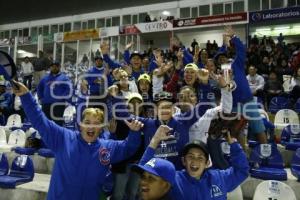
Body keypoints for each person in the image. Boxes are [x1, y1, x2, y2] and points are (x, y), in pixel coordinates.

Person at [12, 80, 144, 200]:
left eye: (96, 123)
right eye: (87, 122)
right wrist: (26, 97)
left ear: (101, 128)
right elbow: (40, 120)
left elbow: (129, 148)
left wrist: (134, 132)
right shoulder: (63, 138)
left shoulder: (107, 147)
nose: (91, 126)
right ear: (80, 124)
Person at [134, 125, 249, 200]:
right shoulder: (173, 179)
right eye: (190, 156)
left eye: (200, 158)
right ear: (184, 161)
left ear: (207, 163)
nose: (195, 161)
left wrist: (233, 144)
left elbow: (242, 171)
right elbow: (145, 167)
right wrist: (155, 140)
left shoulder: (220, 178)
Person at [37, 61, 72, 126]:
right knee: (46, 124)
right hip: (46, 104)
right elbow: (39, 88)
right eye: (52, 66)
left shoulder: (64, 78)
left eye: (56, 66)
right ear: (50, 68)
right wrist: (41, 98)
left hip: (58, 104)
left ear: (59, 67)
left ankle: (57, 136)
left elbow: (69, 89)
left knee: (58, 124)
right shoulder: (45, 78)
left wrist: (64, 99)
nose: (54, 68)